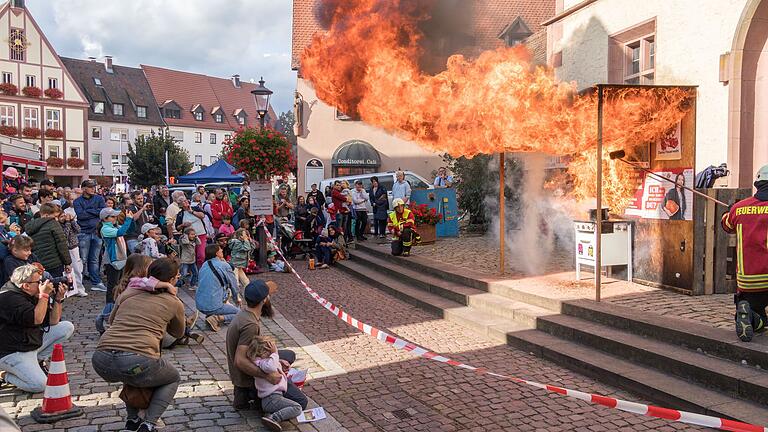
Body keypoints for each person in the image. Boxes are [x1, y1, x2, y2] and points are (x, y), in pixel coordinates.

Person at [92, 258, 185, 432]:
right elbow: (178, 333)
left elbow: (111, 320)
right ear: (172, 280)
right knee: (172, 378)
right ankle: (149, 423)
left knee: (133, 375)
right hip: (136, 360)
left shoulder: (128, 293)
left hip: (101, 358)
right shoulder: (174, 302)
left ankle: (133, 420)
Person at [226, 280, 307, 412]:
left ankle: (251, 393)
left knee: (289, 355)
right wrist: (267, 376)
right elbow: (240, 361)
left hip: (254, 361)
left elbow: (252, 353)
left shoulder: (245, 314)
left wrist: (276, 360)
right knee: (301, 402)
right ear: (264, 300)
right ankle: (254, 396)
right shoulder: (250, 325)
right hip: (248, 377)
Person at [0, 264, 74, 393]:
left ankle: (37, 361)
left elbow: (53, 321)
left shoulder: (30, 293)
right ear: (26, 285)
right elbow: (37, 319)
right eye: (38, 282)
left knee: (66, 327)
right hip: (11, 351)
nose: (43, 284)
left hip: (28, 342)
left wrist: (58, 299)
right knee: (40, 385)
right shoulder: (9, 298)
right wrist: (44, 295)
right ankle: (3, 375)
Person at [721, 164, 768, 342]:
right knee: (764, 322)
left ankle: (745, 309)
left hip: (747, 281)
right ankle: (757, 319)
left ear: (757, 183)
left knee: (754, 309)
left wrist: (731, 209)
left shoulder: (740, 208)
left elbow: (726, 225)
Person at [247, 335, 303, 431]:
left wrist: (280, 363)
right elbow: (271, 367)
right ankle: (274, 418)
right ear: (262, 353)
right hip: (271, 398)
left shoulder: (264, 361)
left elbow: (273, 365)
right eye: (269, 351)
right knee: (297, 407)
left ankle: (269, 415)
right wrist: (275, 353)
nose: (272, 353)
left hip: (274, 398)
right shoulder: (262, 363)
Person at [196, 244, 241, 332]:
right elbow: (234, 285)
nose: (222, 251)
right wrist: (237, 299)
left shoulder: (204, 264)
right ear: (217, 253)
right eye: (220, 250)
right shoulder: (224, 266)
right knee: (242, 314)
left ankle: (211, 315)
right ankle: (217, 318)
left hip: (200, 305)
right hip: (214, 305)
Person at [74, 179, 107, 292]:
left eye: (94, 187)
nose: (93, 189)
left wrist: (88, 211)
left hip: (97, 231)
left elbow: (102, 212)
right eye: (90, 187)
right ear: (84, 188)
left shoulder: (99, 198)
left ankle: (96, 281)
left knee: (94, 259)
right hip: (83, 232)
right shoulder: (77, 201)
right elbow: (80, 215)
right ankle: (78, 283)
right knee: (82, 259)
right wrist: (94, 211)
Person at [24, 203, 71, 277]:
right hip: (55, 263)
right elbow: (62, 244)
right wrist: (67, 263)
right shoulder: (53, 224)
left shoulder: (31, 226)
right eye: (55, 216)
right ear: (46, 215)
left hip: (38, 264)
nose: (56, 219)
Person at [100, 207, 135, 304]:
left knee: (121, 283)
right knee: (113, 284)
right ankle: (110, 305)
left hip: (121, 259)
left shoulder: (115, 226)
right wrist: (127, 220)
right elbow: (121, 232)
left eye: (115, 216)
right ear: (105, 219)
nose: (115, 218)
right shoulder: (105, 229)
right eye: (112, 216)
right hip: (112, 261)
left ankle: (118, 302)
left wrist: (131, 220)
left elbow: (130, 230)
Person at [57, 207, 86, 297]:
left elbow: (78, 230)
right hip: (65, 248)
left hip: (74, 248)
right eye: (61, 217)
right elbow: (65, 234)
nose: (64, 218)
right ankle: (69, 289)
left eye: (64, 216)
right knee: (67, 271)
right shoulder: (58, 225)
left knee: (77, 269)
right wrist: (68, 223)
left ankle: (79, 288)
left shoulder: (69, 222)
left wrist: (72, 221)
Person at [174, 197, 207, 267]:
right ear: (180, 204)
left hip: (200, 234)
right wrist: (183, 225)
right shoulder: (180, 214)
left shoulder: (195, 208)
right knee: (191, 255)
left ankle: (200, 268)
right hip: (189, 238)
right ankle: (193, 271)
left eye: (186, 200)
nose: (186, 202)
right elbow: (177, 228)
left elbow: (202, 216)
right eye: (183, 201)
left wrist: (192, 211)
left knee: (201, 255)